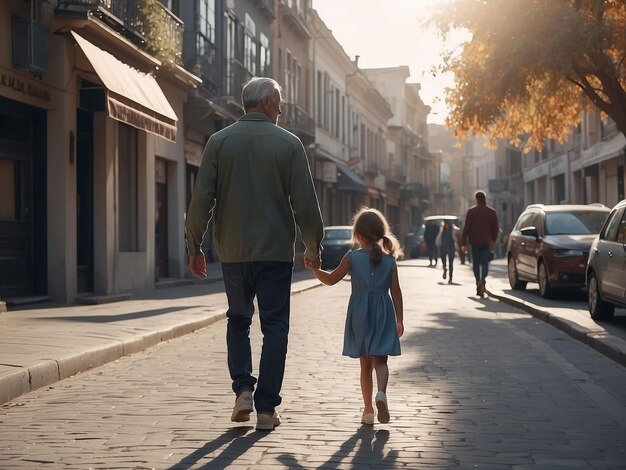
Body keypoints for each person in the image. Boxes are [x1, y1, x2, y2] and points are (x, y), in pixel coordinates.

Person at [185, 77, 324, 431]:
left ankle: (243, 389)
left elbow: (202, 199)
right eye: (278, 101)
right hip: (275, 252)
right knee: (275, 327)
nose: (282, 108)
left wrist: (194, 246)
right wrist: (313, 247)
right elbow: (305, 203)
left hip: (232, 252)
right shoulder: (289, 145)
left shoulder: (218, 142)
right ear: (264, 102)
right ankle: (265, 410)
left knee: (238, 319)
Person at [304, 207, 404, 426]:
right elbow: (396, 292)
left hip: (359, 314)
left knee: (365, 365)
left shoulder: (352, 258)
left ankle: (368, 411)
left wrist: (314, 270)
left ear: (358, 234)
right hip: (384, 312)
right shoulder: (389, 261)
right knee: (381, 361)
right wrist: (400, 319)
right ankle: (382, 394)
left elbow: (330, 280)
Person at [461, 190, 499, 297]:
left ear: (476, 199)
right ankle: (483, 280)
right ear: (485, 198)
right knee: (485, 263)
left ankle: (478, 281)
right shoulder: (492, 212)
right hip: (486, 242)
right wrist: (493, 239)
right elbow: (495, 228)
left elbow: (466, 228)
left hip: (474, 241)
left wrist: (463, 243)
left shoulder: (471, 211)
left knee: (476, 264)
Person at [437, 220, 461, 284]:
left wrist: (454, 229)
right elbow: (439, 236)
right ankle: (445, 269)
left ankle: (450, 277)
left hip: (451, 248)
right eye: (445, 224)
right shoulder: (442, 229)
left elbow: (458, 230)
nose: (446, 225)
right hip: (443, 247)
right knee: (443, 261)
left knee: (451, 263)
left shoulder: (453, 229)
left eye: (447, 224)